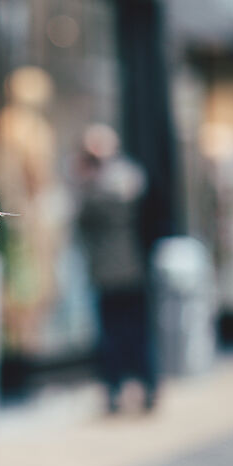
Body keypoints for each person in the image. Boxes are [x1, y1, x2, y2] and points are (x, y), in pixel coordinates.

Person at [76, 123, 157, 413]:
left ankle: (117, 390)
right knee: (134, 333)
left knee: (114, 335)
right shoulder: (132, 179)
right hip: (132, 269)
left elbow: (82, 220)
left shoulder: (94, 186)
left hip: (109, 273)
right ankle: (144, 387)